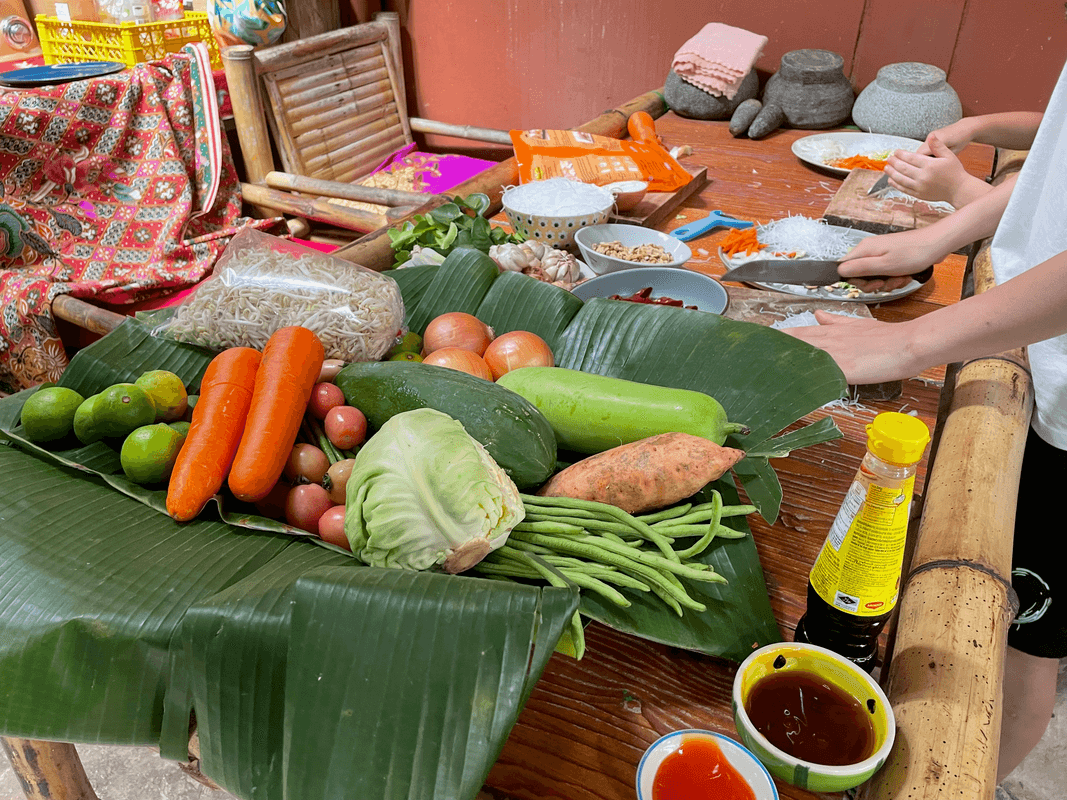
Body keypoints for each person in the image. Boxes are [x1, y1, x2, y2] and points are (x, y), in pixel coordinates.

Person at [787, 71, 1067, 782]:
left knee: (1018, 649)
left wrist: (906, 344)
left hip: (1059, 408)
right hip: (1024, 336)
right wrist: (944, 230)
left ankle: (972, 781)